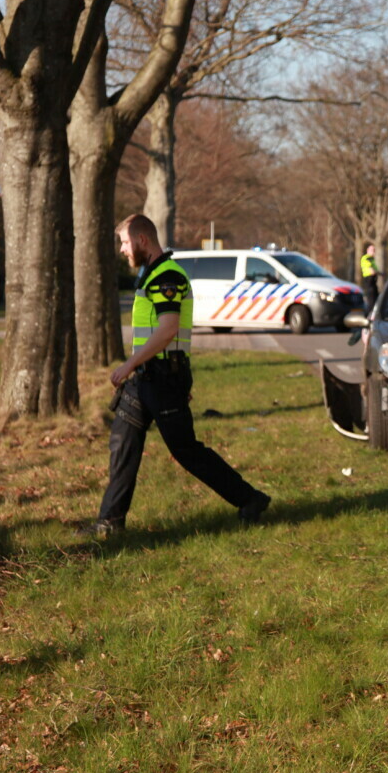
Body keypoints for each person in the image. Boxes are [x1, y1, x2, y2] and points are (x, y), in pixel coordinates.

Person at [77, 214, 270, 537]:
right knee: (122, 444)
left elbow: (167, 331)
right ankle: (109, 522)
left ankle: (250, 499)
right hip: (146, 380)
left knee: (186, 451)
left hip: (163, 379)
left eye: (125, 242)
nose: (122, 250)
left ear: (141, 240)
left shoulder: (167, 277)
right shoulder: (151, 274)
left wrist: (130, 365)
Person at [360, 243, 381, 312]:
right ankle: (370, 313)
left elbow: (376, 269)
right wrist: (376, 272)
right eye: (372, 250)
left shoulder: (372, 259)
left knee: (376, 296)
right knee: (371, 298)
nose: (373, 252)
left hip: (373, 280)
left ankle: (374, 312)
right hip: (369, 280)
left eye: (374, 250)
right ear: (367, 250)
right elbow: (371, 270)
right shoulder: (366, 258)